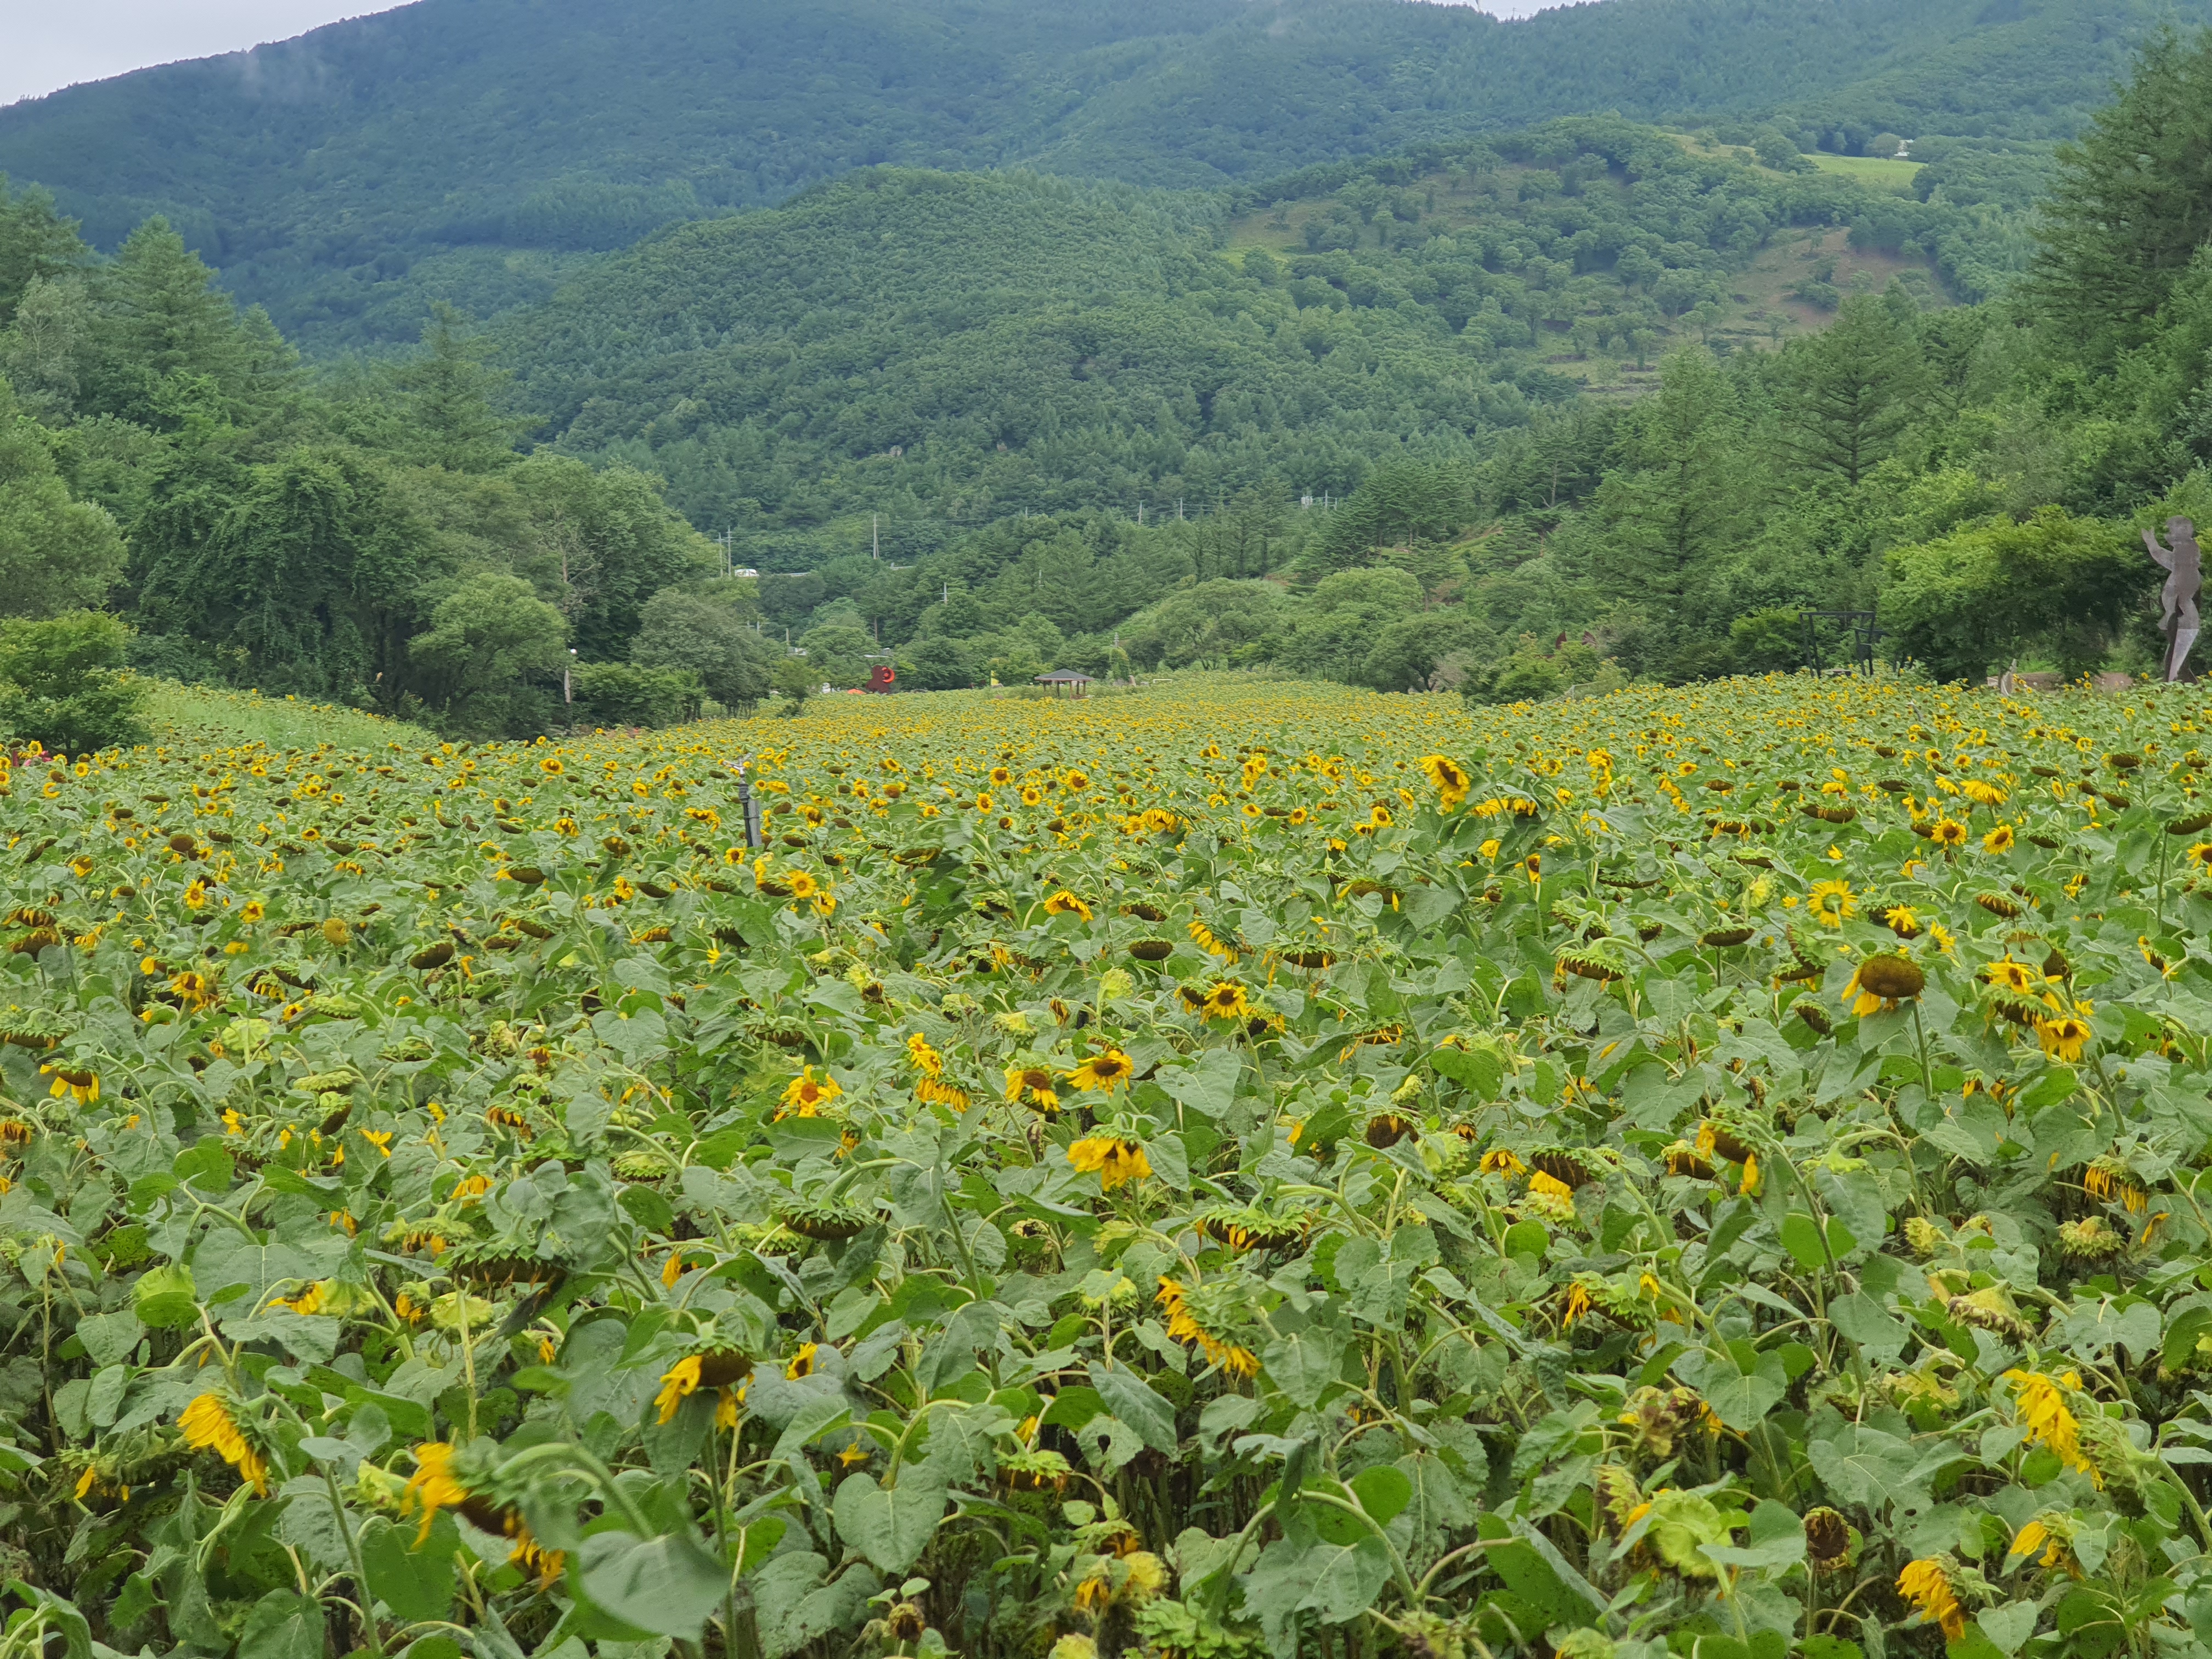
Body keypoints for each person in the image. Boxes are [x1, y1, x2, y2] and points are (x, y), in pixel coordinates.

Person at [2144, 516, 2202, 682]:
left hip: (2182, 605)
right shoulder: (2183, 554)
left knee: (2179, 642)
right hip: (2176, 606)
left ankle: (2177, 678)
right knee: (2175, 642)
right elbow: (2166, 558)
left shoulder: (2189, 550)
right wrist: (2152, 544)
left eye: (2185, 527)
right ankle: (2175, 678)